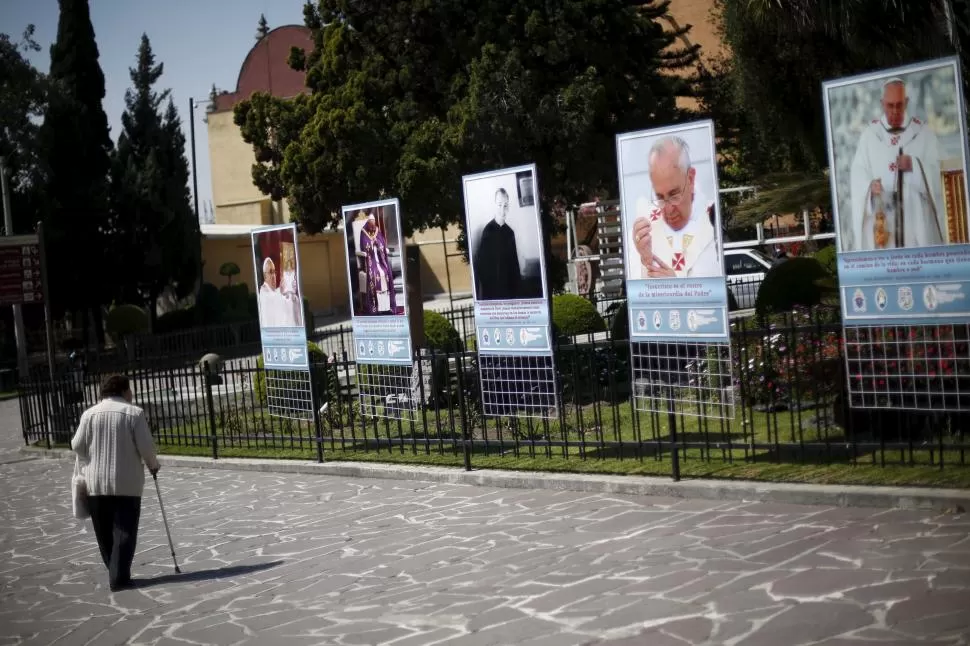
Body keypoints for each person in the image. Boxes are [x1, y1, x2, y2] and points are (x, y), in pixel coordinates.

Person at [71, 374, 160, 592]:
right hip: (126, 482)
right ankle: (119, 576)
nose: (132, 394)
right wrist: (153, 464)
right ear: (124, 391)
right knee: (125, 530)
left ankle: (115, 571)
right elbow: (146, 447)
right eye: (130, 390)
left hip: (96, 484)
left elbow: (77, 445)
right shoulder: (134, 413)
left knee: (104, 532)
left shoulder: (89, 415)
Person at [848, 77, 946, 251]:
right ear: (882, 103)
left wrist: (915, 166)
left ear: (906, 102)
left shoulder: (923, 133)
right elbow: (857, 174)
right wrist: (870, 188)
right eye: (890, 105)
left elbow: (941, 175)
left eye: (899, 105)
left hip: (917, 227)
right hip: (884, 229)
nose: (894, 111)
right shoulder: (870, 136)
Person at [631, 136, 721, 279]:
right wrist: (646, 261)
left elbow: (712, 292)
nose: (668, 210)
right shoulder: (645, 228)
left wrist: (676, 286)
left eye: (674, 195)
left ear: (690, 179)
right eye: (660, 197)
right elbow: (638, 292)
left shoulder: (712, 219)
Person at [474, 188, 524, 300]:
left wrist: (516, 290)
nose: (502, 209)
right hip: (493, 292)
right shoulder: (488, 231)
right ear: (494, 205)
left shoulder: (510, 232)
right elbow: (482, 266)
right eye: (500, 205)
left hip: (508, 291)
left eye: (505, 205)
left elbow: (514, 264)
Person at [357, 212, 398, 315]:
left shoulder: (377, 230)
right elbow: (363, 246)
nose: (373, 224)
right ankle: (376, 307)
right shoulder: (363, 232)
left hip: (379, 259)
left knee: (385, 272)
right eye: (371, 222)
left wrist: (378, 244)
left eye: (374, 222)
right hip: (371, 261)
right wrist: (371, 244)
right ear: (368, 222)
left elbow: (382, 243)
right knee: (375, 275)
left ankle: (386, 306)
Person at [257, 257, 299, 328]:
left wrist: (291, 294)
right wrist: (281, 290)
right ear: (264, 275)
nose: (273, 276)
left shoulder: (276, 292)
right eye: (270, 272)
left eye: (274, 272)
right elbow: (272, 298)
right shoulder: (263, 291)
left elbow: (286, 303)